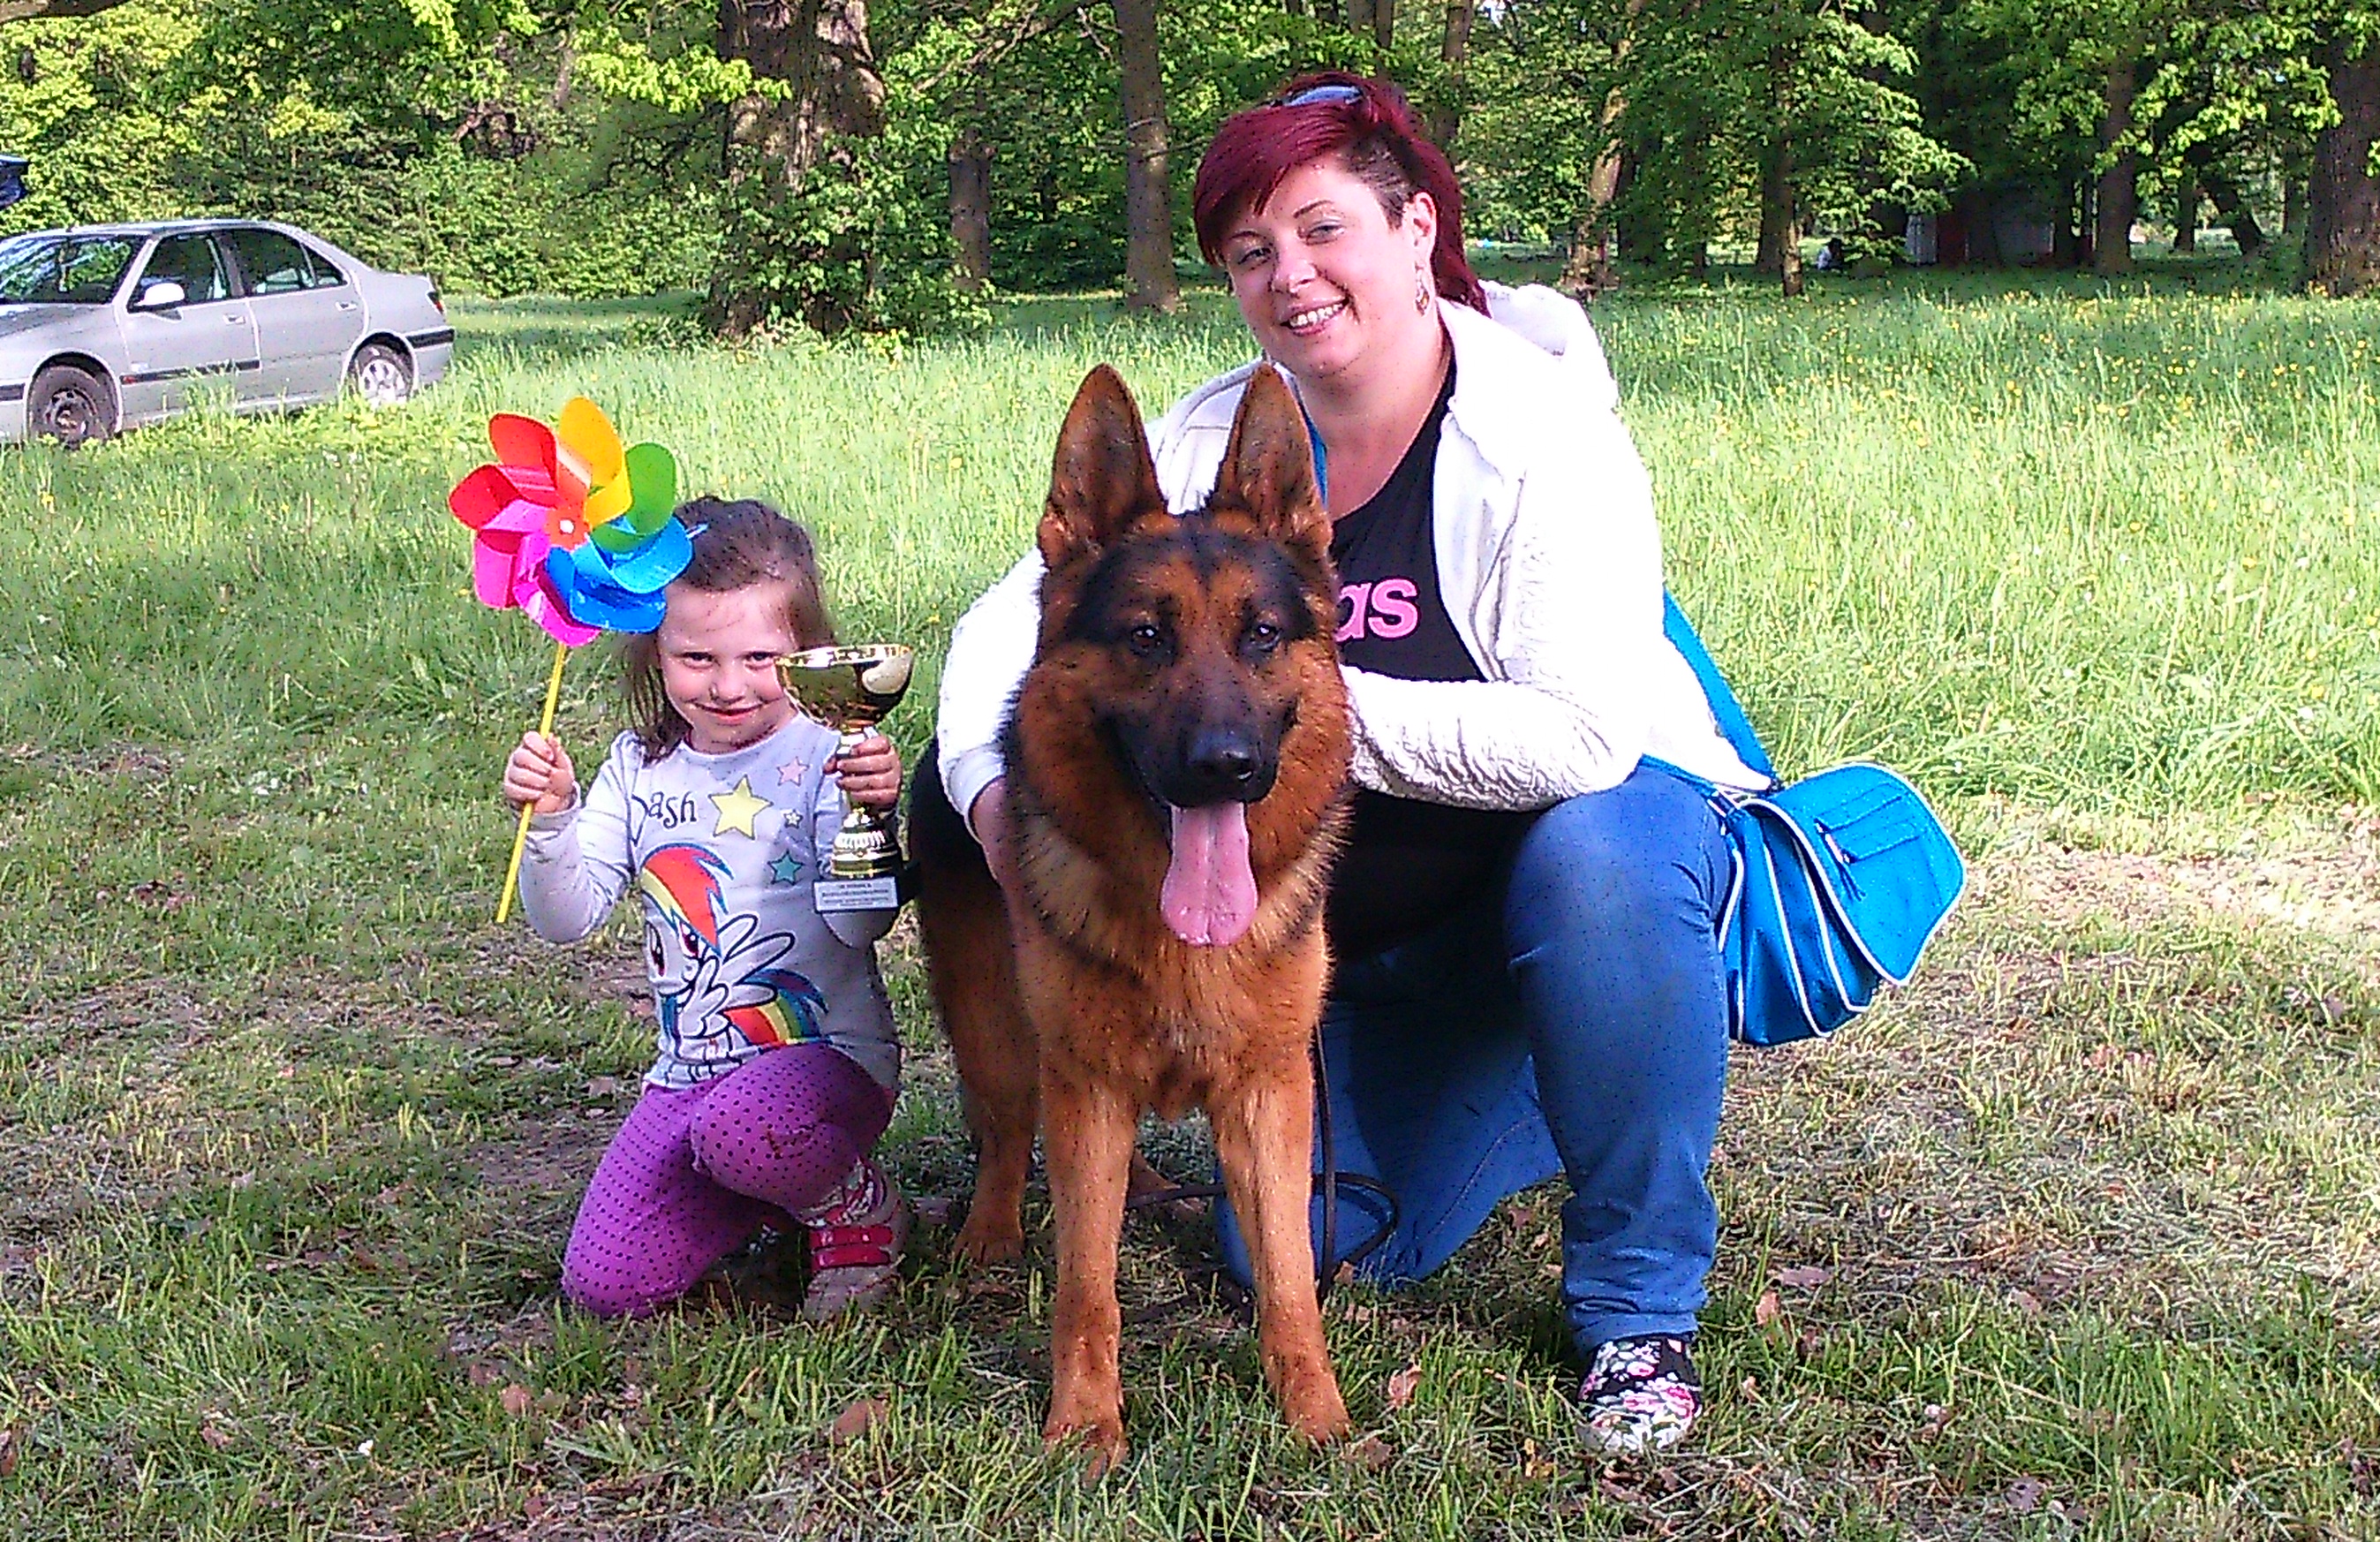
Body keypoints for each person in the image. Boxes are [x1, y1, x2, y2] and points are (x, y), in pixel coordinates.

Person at [931, 72, 1766, 1455]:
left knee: (1604, 862)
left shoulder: (1547, 438)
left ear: (1417, 225)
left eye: (1324, 230)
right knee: (1317, 1248)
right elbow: (1000, 633)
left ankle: (1636, 1299)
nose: (1291, 274)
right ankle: (1511, 1090)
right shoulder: (1211, 433)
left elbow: (1585, 735)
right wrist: (990, 795)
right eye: (1250, 250)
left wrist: (1298, 717)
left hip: (1553, 869)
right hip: (1342, 947)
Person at [502, 498, 909, 1324]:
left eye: (761, 658)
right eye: (696, 658)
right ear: (655, 650)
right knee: (607, 1285)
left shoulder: (826, 755)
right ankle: (770, 1191)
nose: (728, 687)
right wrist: (549, 824)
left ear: (806, 653)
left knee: (742, 1128)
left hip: (827, 1064)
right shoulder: (637, 768)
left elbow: (861, 928)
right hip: (690, 1079)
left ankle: (856, 1210)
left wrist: (867, 818)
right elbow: (565, 920)